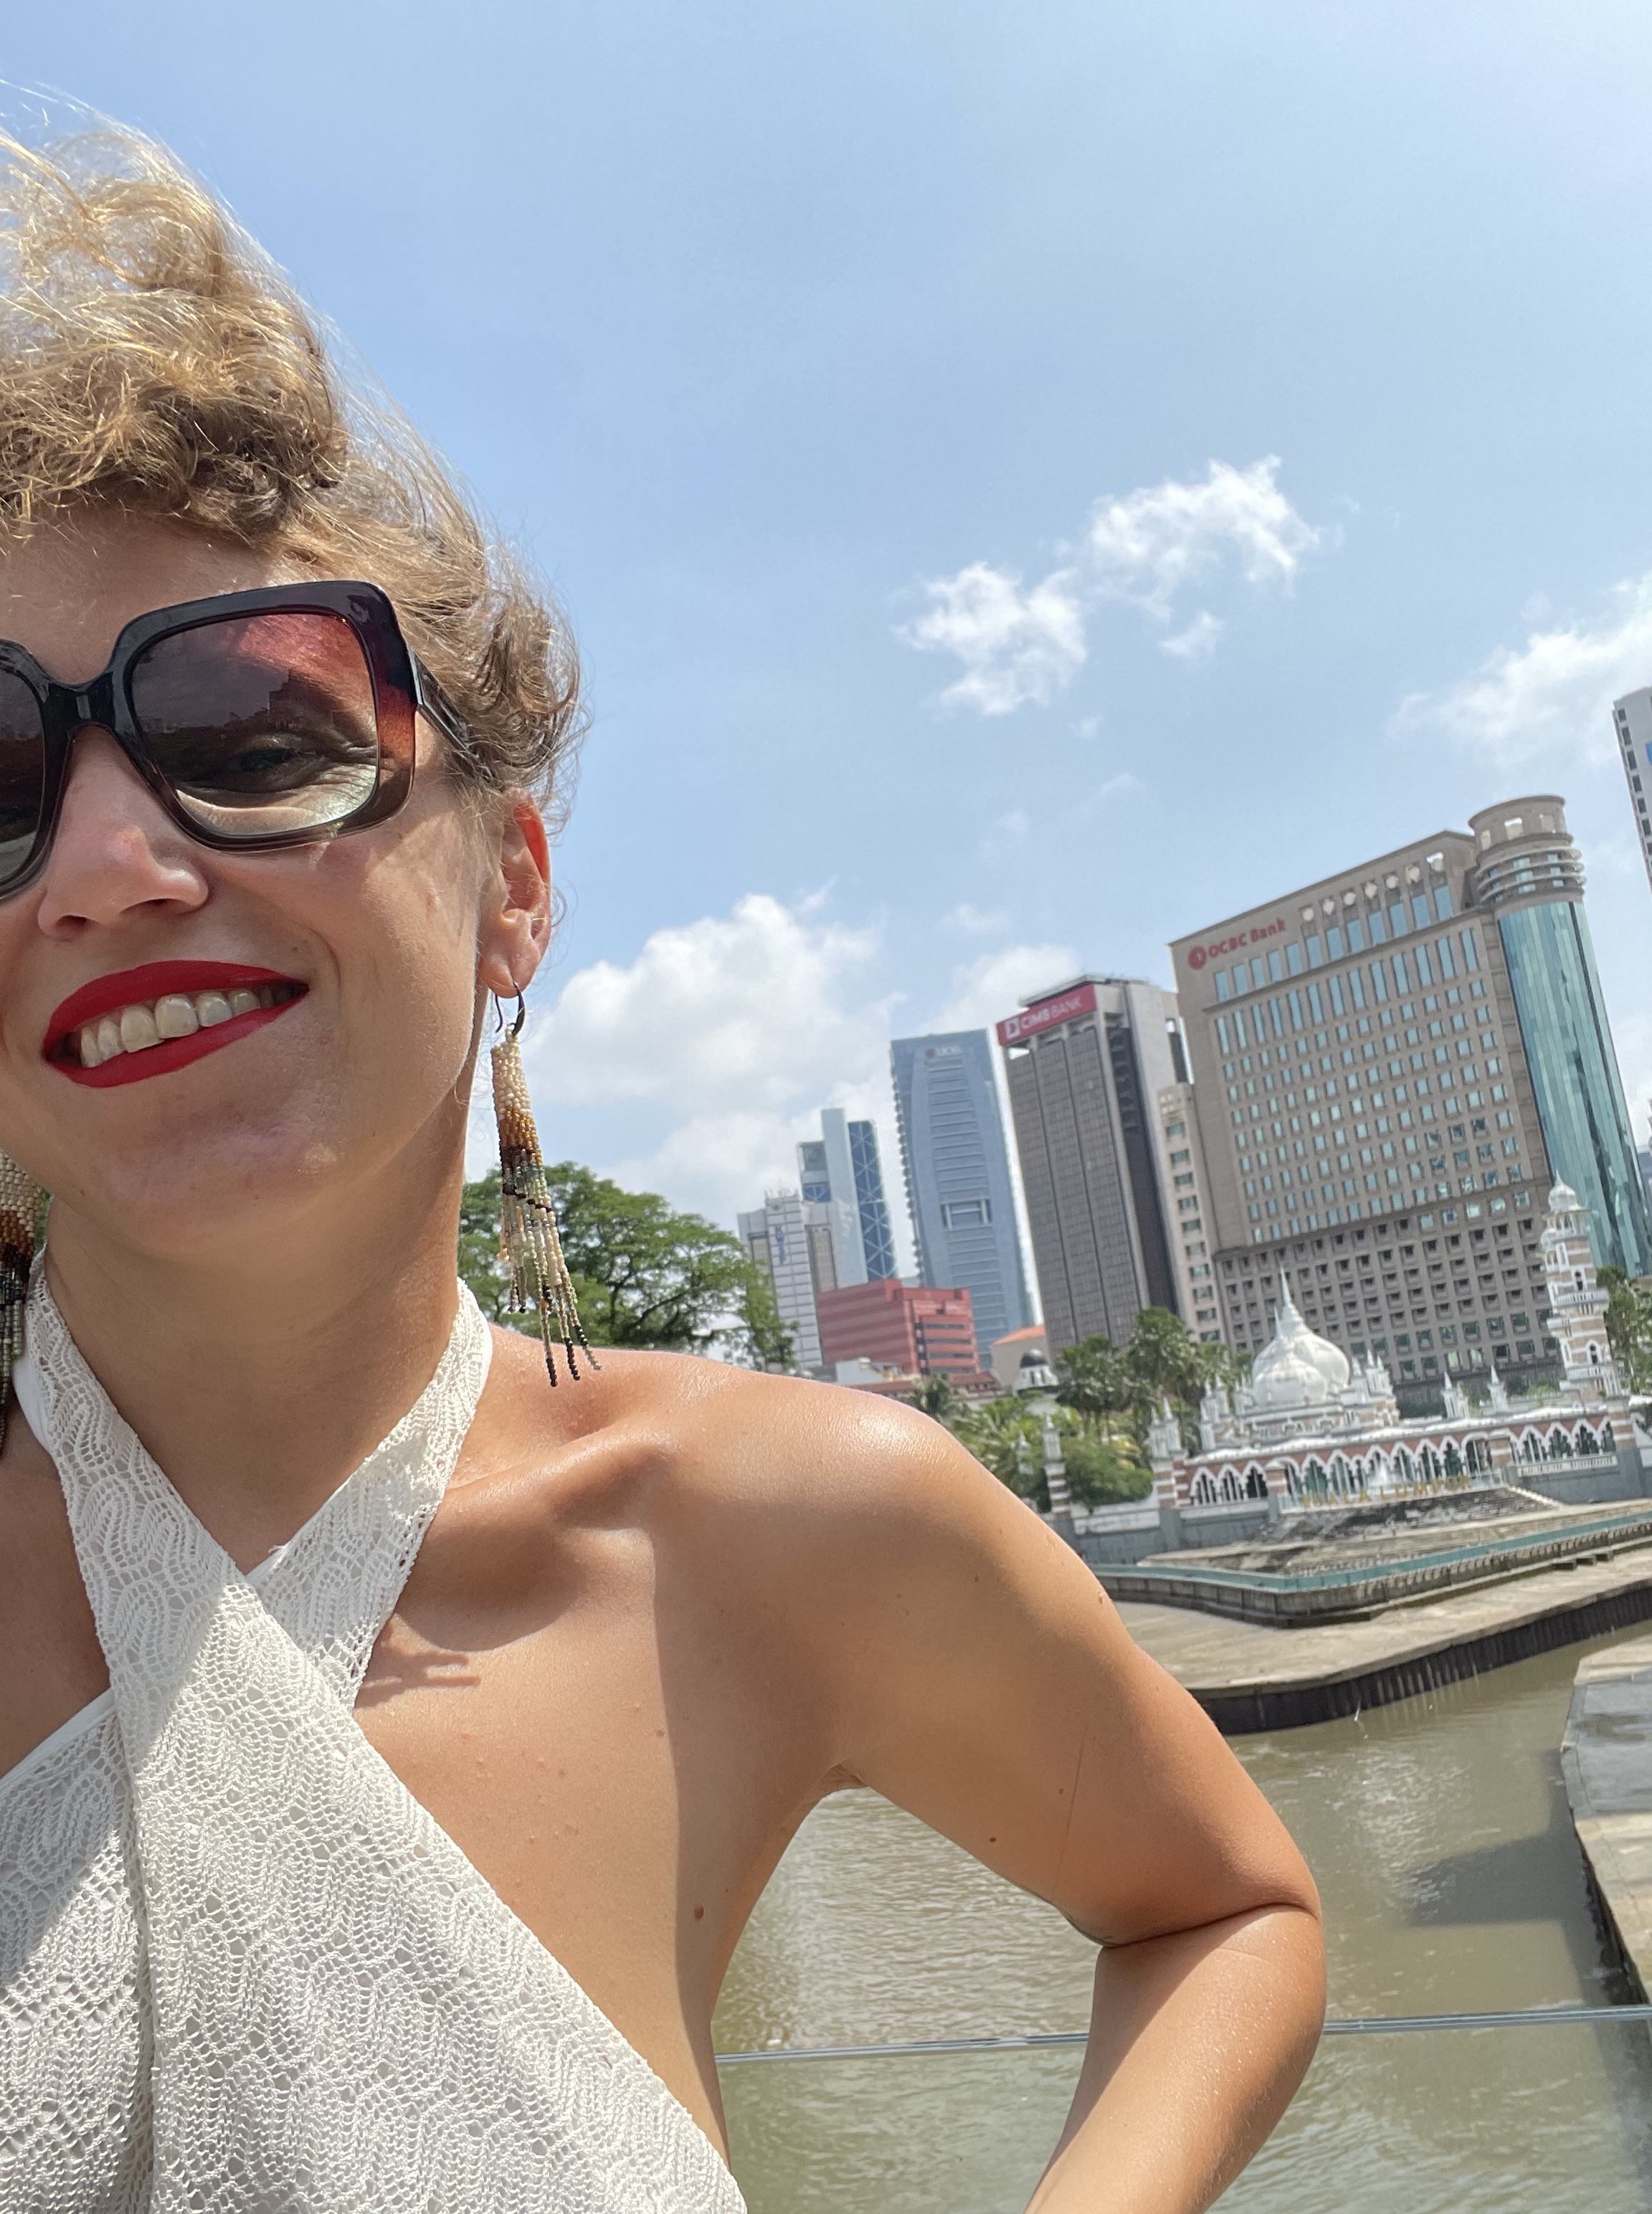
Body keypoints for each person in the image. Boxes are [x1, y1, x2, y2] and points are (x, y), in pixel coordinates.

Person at [0, 124, 1323, 2213]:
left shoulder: (785, 1523)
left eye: (257, 739)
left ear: (511, 887)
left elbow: (1226, 1910)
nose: (104, 862)